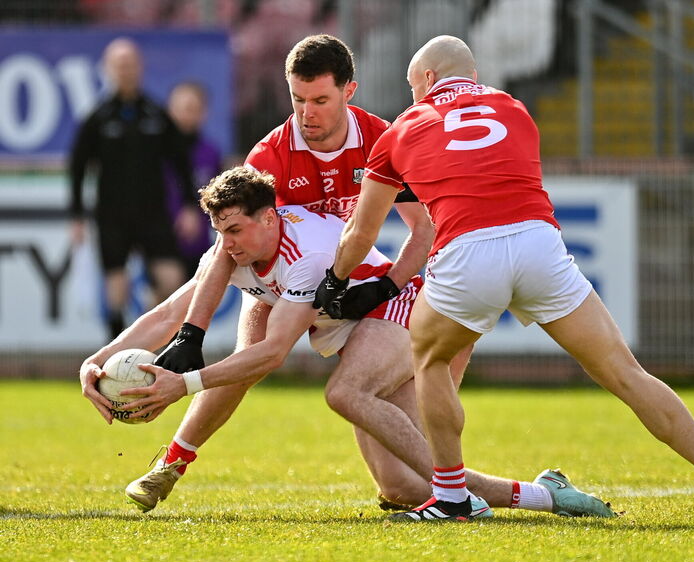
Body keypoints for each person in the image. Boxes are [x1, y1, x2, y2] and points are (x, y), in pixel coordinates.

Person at [315, 35, 694, 524]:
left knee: (431, 361)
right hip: (539, 245)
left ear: (429, 79)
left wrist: (335, 279)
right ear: (472, 77)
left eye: (413, 86)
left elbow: (360, 230)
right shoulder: (514, 108)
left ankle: (452, 496)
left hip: (466, 252)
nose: (412, 96)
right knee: (625, 373)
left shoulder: (402, 128)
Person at [79, 166, 615, 522]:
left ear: (269, 218)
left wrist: (183, 384)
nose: (229, 244)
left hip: (398, 312)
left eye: (237, 230)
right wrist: (98, 361)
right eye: (221, 232)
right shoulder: (229, 252)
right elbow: (171, 312)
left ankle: (459, 502)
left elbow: (270, 355)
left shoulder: (306, 256)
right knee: (406, 487)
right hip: (352, 329)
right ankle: (546, 493)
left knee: (343, 394)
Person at [116, 34, 452, 514]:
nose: (306, 112)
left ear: (349, 91)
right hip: (284, 280)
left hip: (363, 290)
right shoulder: (270, 156)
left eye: (320, 100)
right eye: (297, 99)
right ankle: (170, 463)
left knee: (403, 488)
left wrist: (388, 284)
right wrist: (191, 331)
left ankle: (474, 489)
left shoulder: (383, 140)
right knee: (246, 359)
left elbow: (424, 229)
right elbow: (226, 252)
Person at [69, 37, 200, 340]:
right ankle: (115, 347)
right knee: (117, 282)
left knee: (171, 278)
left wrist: (190, 207)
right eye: (119, 65)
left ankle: (151, 337)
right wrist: (76, 215)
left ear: (140, 68)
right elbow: (77, 167)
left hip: (153, 212)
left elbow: (182, 163)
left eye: (130, 64)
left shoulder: (155, 114)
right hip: (111, 214)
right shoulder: (98, 118)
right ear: (108, 69)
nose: (125, 71)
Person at [164, 81, 222, 278]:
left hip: (198, 244)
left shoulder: (211, 153)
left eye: (192, 109)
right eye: (180, 109)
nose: (185, 115)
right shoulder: (156, 154)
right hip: (162, 243)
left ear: (203, 113)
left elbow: (217, 199)